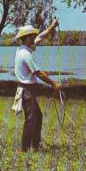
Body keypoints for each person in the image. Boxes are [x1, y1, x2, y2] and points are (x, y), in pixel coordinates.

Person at [14, 19, 60, 152]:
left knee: (37, 117)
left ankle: (34, 145)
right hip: (27, 91)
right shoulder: (26, 55)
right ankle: (24, 148)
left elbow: (41, 36)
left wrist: (51, 26)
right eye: (32, 35)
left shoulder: (23, 49)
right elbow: (39, 73)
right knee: (31, 119)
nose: (34, 37)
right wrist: (54, 84)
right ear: (27, 37)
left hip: (27, 91)